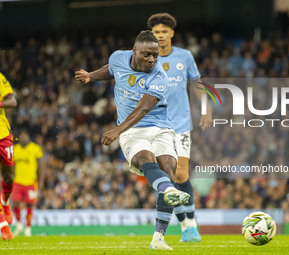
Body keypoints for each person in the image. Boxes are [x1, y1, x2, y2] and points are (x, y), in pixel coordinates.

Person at [75, 30, 190, 250]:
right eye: (147, 55)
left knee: (168, 168)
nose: (152, 60)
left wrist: (117, 130)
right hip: (133, 130)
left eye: (155, 56)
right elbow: (111, 71)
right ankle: (169, 190)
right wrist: (91, 75)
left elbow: (143, 108)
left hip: (159, 126)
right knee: (143, 159)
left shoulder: (159, 77)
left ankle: (158, 238)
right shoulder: (118, 57)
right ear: (134, 51)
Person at [147, 13, 212, 242]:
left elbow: (197, 83)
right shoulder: (147, 59)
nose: (160, 36)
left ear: (171, 33)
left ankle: (191, 226)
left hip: (182, 124)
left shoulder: (185, 56)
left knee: (182, 174)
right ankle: (187, 227)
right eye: (156, 32)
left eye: (164, 31)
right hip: (157, 125)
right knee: (168, 176)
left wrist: (206, 109)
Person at [12, 130, 43, 236]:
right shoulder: (15, 149)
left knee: (30, 204)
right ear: (19, 138)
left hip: (31, 182)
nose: (23, 138)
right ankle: (19, 224)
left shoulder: (35, 148)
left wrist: (41, 180)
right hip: (17, 181)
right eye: (21, 136)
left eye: (25, 136)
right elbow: (11, 165)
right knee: (15, 203)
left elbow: (41, 165)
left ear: (28, 137)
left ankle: (28, 227)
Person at [0, 72, 17, 240]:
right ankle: (3, 226)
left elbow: (12, 101)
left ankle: (5, 203)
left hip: (2, 135)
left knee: (9, 178)